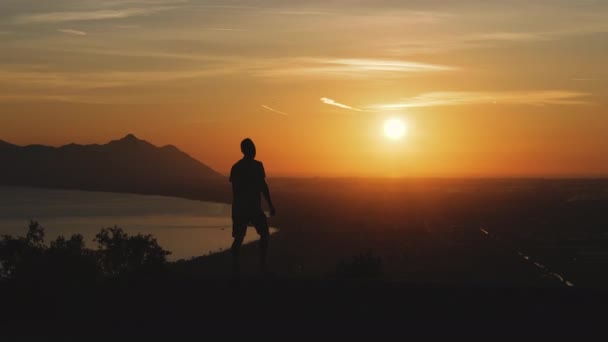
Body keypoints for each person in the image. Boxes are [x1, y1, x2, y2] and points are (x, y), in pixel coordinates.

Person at [229, 138, 276, 273]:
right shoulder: (254, 166)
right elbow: (262, 187)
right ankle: (258, 266)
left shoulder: (237, 167)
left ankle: (251, 266)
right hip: (249, 208)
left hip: (244, 208)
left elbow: (261, 187)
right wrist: (270, 205)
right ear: (246, 150)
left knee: (243, 237)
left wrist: (270, 204)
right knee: (256, 235)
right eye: (252, 148)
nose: (254, 150)